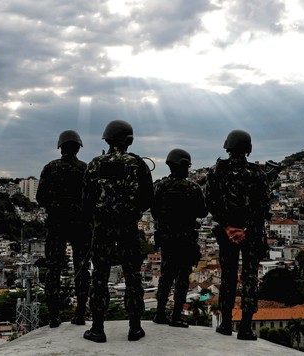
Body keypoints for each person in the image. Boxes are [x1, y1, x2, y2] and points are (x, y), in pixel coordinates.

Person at [82, 120, 153, 343]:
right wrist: (132, 211)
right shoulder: (137, 164)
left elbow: (86, 199)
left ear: (107, 139)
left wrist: (97, 215)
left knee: (100, 277)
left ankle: (97, 328)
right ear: (129, 141)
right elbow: (147, 197)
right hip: (127, 227)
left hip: (102, 227)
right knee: (133, 276)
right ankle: (135, 328)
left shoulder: (95, 164)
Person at [205, 129, 270, 340]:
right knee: (250, 278)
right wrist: (247, 230)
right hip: (251, 234)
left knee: (228, 277)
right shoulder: (257, 173)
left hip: (227, 234)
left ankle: (225, 324)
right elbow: (263, 207)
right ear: (248, 149)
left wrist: (227, 227)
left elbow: (210, 202)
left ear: (228, 148)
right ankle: (245, 328)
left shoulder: (217, 171)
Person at [36, 130, 91, 328]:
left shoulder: (51, 168)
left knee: (54, 269)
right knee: (82, 269)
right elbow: (92, 198)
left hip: (57, 223)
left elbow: (40, 197)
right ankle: (81, 314)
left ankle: (53, 316)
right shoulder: (85, 169)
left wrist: (57, 206)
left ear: (60, 147)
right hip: (81, 225)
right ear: (78, 147)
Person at [151, 148, 207, 328]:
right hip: (185, 239)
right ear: (185, 166)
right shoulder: (192, 187)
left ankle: (160, 313)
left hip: (167, 239)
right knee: (182, 278)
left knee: (166, 276)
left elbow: (153, 210)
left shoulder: (160, 186)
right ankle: (176, 316)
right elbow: (202, 212)